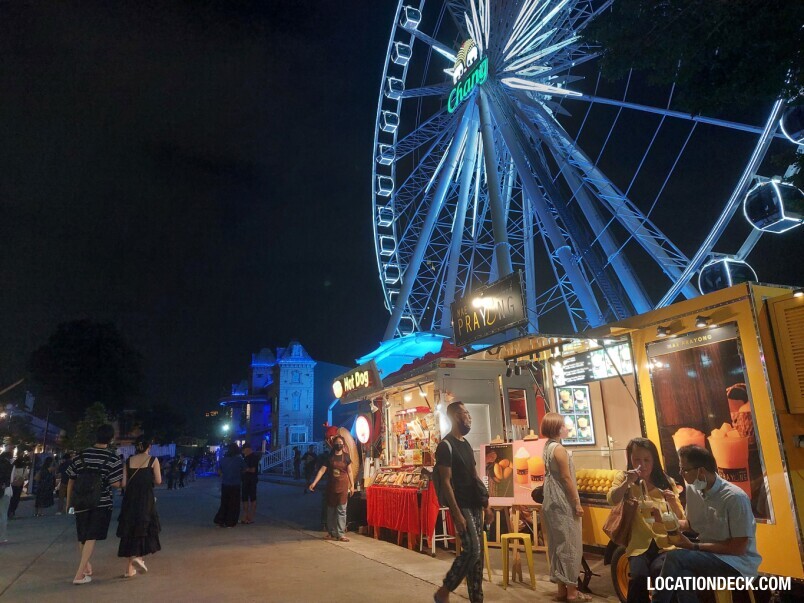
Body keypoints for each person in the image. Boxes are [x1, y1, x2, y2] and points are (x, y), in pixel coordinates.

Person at [652, 445, 761, 603]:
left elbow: (738, 548)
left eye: (684, 469)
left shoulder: (734, 497)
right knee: (684, 576)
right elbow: (692, 525)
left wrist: (694, 546)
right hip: (708, 556)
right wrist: (665, 521)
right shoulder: (693, 489)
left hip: (737, 563)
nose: (681, 473)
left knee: (675, 557)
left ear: (701, 471)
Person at [607, 438, 685, 603]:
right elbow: (612, 499)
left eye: (646, 460)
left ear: (654, 460)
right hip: (639, 546)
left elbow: (681, 518)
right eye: (636, 460)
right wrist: (627, 482)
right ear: (630, 459)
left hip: (666, 545)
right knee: (638, 577)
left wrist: (671, 502)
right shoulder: (624, 479)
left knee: (661, 573)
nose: (641, 464)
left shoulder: (666, 482)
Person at [432, 402, 492, 603]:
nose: (469, 417)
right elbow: (446, 483)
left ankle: (477, 598)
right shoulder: (445, 446)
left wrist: (486, 505)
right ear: (456, 416)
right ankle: (444, 590)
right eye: (466, 413)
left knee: (478, 557)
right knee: (472, 550)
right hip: (462, 506)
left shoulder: (466, 444)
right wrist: (456, 515)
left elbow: (474, 477)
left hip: (475, 505)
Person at [65, 424, 124, 585]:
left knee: (82, 534)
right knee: (91, 536)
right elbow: (116, 484)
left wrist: (68, 502)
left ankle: (85, 565)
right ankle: (78, 574)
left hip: (80, 501)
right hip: (101, 502)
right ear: (111, 439)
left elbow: (71, 479)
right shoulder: (113, 458)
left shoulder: (81, 455)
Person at [540, 412, 589, 601]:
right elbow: (566, 478)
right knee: (570, 544)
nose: (567, 428)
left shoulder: (547, 447)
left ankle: (562, 589)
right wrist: (576, 502)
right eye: (564, 425)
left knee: (557, 544)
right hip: (562, 501)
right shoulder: (559, 449)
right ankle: (572, 592)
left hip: (550, 500)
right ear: (556, 428)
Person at [117, 436, 162, 578]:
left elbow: (123, 483)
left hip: (130, 500)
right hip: (146, 499)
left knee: (130, 530)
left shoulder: (128, 461)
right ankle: (139, 557)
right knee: (144, 527)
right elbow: (159, 481)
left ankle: (129, 569)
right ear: (149, 447)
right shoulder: (153, 460)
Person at [309, 434, 353, 542]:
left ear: (343, 445)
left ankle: (341, 534)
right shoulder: (329, 457)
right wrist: (314, 483)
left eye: (341, 443)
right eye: (337, 443)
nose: (339, 445)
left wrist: (352, 485)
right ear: (334, 445)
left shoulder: (346, 457)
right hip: (331, 486)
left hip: (343, 486)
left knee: (342, 510)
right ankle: (331, 532)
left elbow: (350, 471)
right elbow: (322, 471)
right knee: (331, 510)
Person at [214, 443, 245, 527]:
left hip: (225, 483)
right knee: (233, 504)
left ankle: (220, 520)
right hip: (235, 484)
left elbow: (219, 470)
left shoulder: (224, 459)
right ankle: (230, 521)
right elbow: (244, 469)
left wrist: (223, 474)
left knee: (224, 503)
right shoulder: (239, 459)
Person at [241, 443, 259, 524]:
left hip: (251, 480)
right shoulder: (245, 458)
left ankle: (251, 517)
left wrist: (245, 470)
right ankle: (245, 516)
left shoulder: (253, 457)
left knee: (252, 498)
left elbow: (253, 470)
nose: (243, 451)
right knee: (244, 498)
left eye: (244, 449)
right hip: (245, 480)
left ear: (248, 449)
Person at [0, 451, 12, 543]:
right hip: (5, 491)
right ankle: (2, 537)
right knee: (3, 514)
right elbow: (10, 480)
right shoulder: (9, 465)